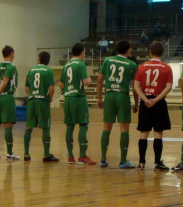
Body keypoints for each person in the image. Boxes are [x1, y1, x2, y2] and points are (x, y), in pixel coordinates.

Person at [96, 41, 138, 169]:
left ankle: (103, 159)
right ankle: (123, 161)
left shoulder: (107, 60)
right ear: (128, 50)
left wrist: (99, 97)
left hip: (109, 95)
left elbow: (99, 80)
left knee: (106, 128)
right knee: (124, 128)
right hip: (122, 96)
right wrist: (136, 103)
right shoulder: (131, 64)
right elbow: (135, 86)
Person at [134, 41, 173, 170]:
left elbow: (136, 86)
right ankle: (157, 162)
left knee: (144, 132)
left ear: (150, 52)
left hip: (145, 102)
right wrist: (156, 100)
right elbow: (168, 87)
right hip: (159, 102)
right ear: (162, 53)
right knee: (158, 133)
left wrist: (145, 99)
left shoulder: (142, 67)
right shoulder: (167, 68)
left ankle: (141, 162)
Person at [59, 43, 96, 165]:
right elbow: (86, 82)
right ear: (82, 52)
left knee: (70, 127)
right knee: (83, 125)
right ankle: (83, 155)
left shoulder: (66, 65)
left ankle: (70, 156)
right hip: (78, 98)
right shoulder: (81, 64)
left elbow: (61, 85)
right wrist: (89, 80)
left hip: (68, 98)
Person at [23, 51, 59, 162]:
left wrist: (31, 96)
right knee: (46, 127)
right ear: (48, 61)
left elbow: (27, 88)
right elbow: (52, 89)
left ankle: (26, 154)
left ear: (38, 59)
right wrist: (49, 99)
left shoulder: (31, 70)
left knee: (29, 127)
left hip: (32, 100)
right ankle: (46, 154)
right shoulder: (48, 71)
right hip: (42, 100)